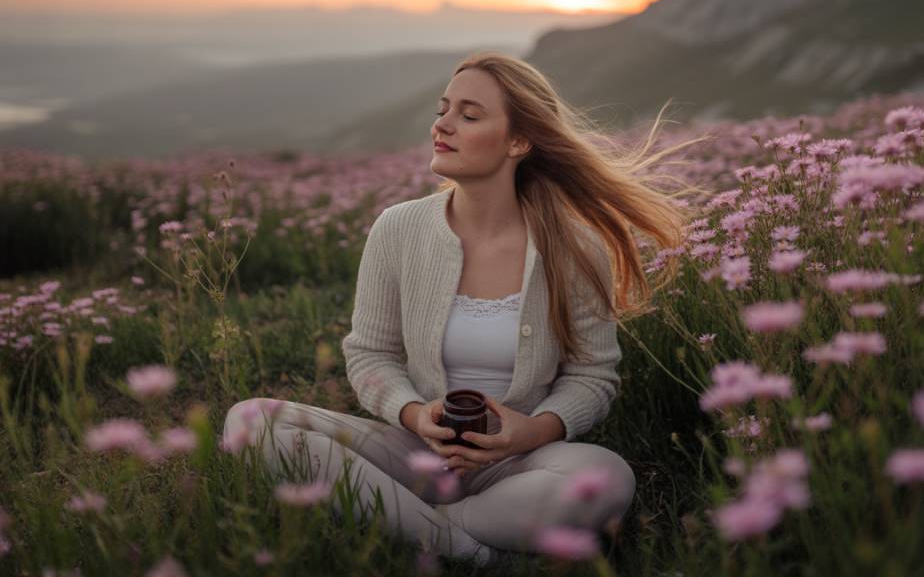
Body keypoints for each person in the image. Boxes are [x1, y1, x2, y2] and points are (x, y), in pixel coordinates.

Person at [222, 51, 700, 566]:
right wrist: (413, 413)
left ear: (519, 141)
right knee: (249, 422)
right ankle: (472, 548)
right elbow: (369, 356)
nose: (442, 125)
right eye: (443, 109)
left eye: (469, 116)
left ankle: (407, 521)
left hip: (521, 461)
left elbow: (593, 377)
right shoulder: (398, 228)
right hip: (412, 450)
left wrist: (532, 430)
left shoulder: (576, 246)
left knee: (607, 478)